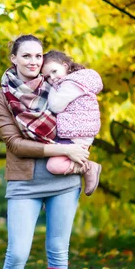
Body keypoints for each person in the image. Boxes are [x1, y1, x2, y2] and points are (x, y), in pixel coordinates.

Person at [0, 35, 89, 269]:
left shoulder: (58, 85)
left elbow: (83, 115)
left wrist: (78, 147)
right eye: (26, 55)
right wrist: (63, 149)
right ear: (13, 59)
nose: (33, 61)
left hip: (64, 181)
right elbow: (14, 143)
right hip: (24, 183)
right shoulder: (1, 97)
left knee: (58, 252)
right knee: (17, 254)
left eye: (38, 55)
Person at [41, 50, 103, 196]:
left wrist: (50, 89)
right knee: (51, 155)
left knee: (53, 165)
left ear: (66, 65)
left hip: (77, 134)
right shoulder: (76, 81)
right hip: (78, 131)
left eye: (54, 71)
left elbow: (55, 105)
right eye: (48, 77)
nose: (52, 78)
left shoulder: (71, 84)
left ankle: (87, 168)